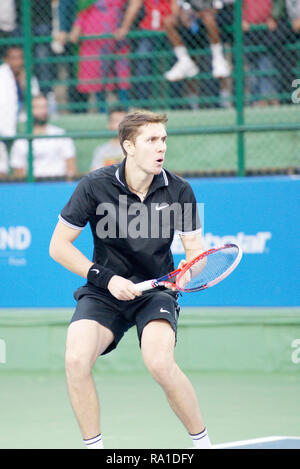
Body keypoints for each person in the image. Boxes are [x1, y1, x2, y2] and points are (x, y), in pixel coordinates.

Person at [49, 109, 212, 449]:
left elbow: (195, 253)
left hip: (156, 292)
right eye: (151, 140)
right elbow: (58, 247)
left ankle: (203, 444)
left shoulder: (179, 190)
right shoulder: (95, 186)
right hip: (104, 291)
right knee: (75, 359)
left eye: (164, 139)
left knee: (159, 362)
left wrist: (186, 271)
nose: (161, 148)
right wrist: (106, 280)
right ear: (128, 147)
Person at [68, 0, 130, 112]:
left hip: (118, 40)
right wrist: (76, 27)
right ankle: (103, 112)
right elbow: (82, 12)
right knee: (98, 78)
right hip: (94, 41)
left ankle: (124, 111)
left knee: (122, 76)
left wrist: (125, 26)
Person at [10, 94, 77, 180]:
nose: (42, 111)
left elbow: (71, 166)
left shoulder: (61, 134)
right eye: (38, 107)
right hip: (32, 187)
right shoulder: (21, 141)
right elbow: (19, 172)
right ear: (29, 111)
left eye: (45, 106)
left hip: (58, 184)